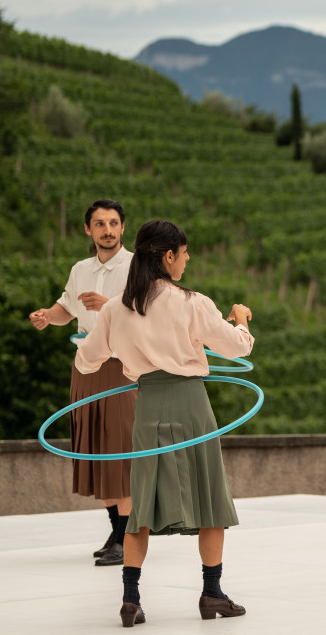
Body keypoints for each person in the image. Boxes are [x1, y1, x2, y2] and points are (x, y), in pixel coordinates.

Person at [73, 219, 254, 627]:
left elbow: (86, 361)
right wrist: (241, 318)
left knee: (141, 506)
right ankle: (212, 594)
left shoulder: (117, 308)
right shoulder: (192, 302)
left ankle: (130, 600)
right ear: (168, 256)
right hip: (191, 405)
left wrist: (123, 347)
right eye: (184, 253)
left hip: (148, 404)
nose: (187, 260)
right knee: (210, 501)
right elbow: (238, 347)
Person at [30, 198, 135, 566]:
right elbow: (67, 309)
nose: (107, 230)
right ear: (88, 229)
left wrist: (106, 304)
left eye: (114, 223)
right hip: (86, 365)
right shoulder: (80, 269)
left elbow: (146, 317)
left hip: (123, 366)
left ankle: (126, 538)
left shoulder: (138, 267)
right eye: (100, 224)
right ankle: (116, 532)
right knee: (94, 449)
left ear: (123, 227)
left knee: (121, 450)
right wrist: (48, 315)